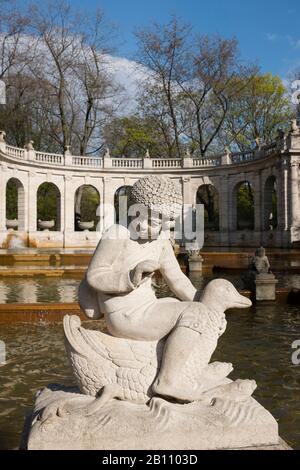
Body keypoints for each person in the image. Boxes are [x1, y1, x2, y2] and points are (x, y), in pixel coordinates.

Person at [79, 175, 225, 401]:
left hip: (148, 306)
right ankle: (167, 381)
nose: (160, 230)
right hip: (124, 315)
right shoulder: (118, 234)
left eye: (169, 224)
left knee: (192, 309)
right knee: (192, 314)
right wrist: (130, 276)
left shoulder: (160, 242)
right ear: (136, 211)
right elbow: (95, 275)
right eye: (156, 222)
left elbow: (178, 280)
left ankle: (178, 372)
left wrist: (208, 306)